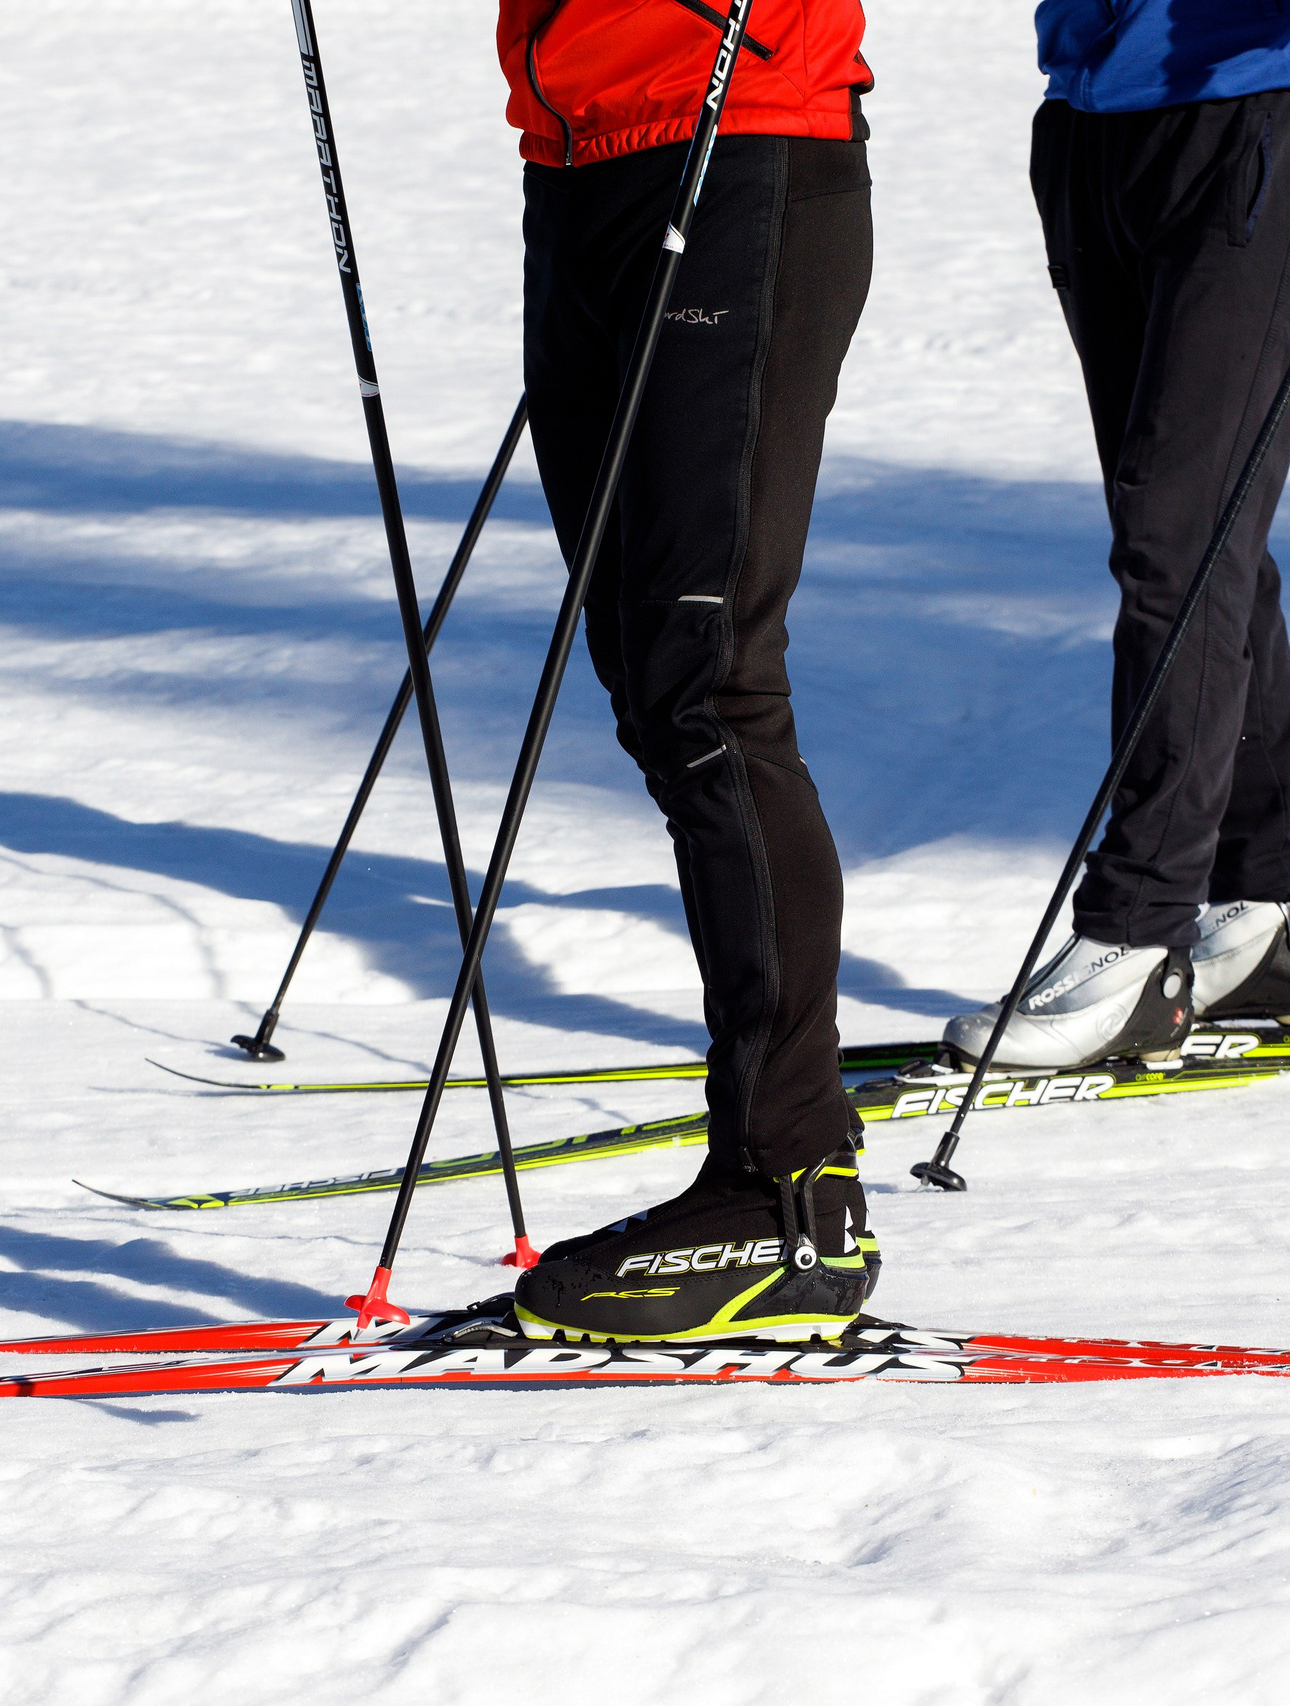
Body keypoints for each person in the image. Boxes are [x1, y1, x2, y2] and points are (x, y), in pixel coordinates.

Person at [499, 0, 879, 1344]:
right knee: (657, 689)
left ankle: (790, 1192)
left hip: (742, 136)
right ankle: (777, 1179)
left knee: (708, 687)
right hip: (581, 156)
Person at [944, 0, 1290, 1071]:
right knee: (1197, 531)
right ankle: (1271, 905)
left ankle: (1136, 937)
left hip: (1256, 101)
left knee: (1178, 540)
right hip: (1092, 114)